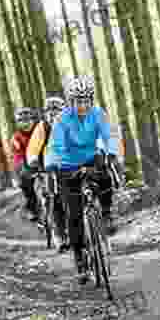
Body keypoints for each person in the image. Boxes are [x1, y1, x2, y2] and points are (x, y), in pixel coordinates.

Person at [40, 75, 120, 285]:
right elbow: (55, 146)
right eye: (78, 100)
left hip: (91, 158)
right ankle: (79, 259)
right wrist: (52, 165)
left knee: (104, 173)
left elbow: (108, 136)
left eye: (86, 100)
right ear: (71, 101)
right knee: (73, 215)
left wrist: (111, 152)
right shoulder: (62, 120)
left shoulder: (98, 114)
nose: (82, 105)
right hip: (67, 165)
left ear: (91, 100)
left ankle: (107, 211)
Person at [25, 96, 70, 253]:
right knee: (54, 198)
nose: (53, 115)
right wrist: (33, 160)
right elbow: (32, 148)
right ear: (45, 114)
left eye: (57, 111)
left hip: (72, 165)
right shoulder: (42, 128)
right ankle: (60, 235)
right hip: (50, 168)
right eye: (49, 111)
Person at [12, 107, 40, 221]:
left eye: (28, 120)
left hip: (42, 161)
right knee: (26, 183)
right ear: (18, 123)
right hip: (25, 164)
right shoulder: (16, 137)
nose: (26, 123)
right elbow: (18, 155)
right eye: (22, 121)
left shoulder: (39, 131)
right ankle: (32, 208)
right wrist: (25, 168)